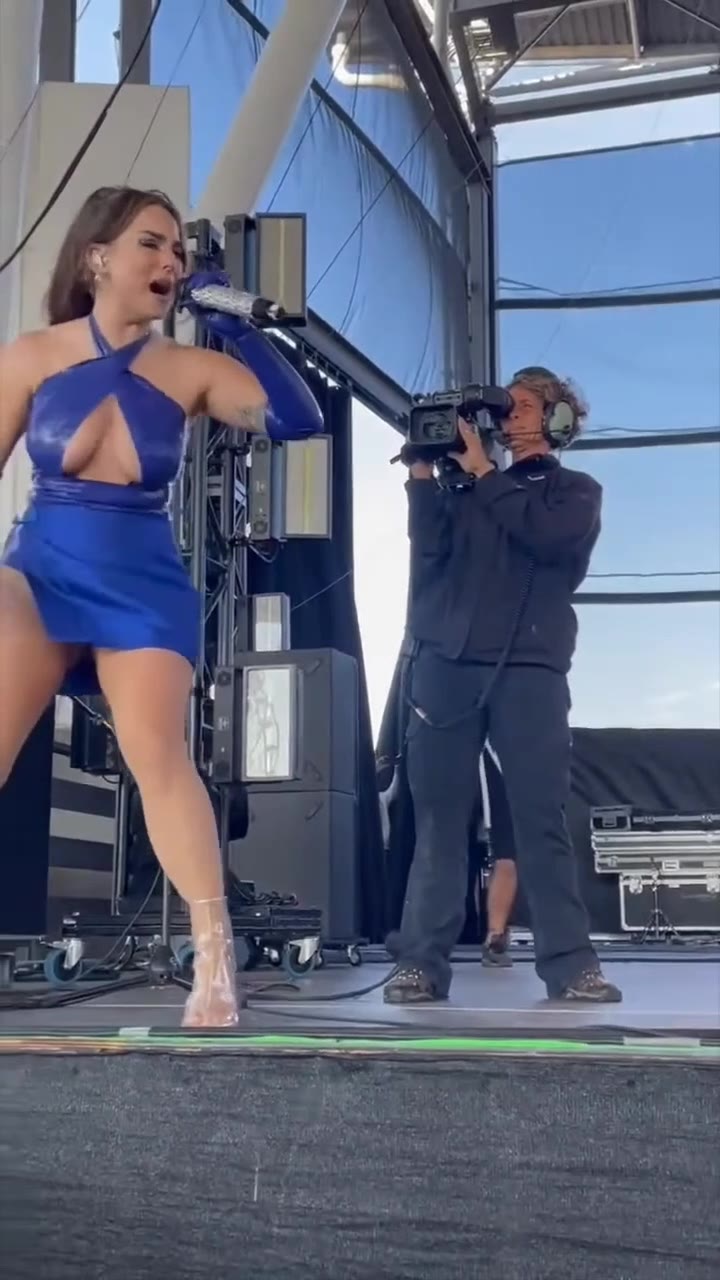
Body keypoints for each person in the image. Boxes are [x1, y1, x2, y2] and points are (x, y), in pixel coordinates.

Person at [0, 185, 323, 1028]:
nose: (170, 262)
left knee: (157, 754)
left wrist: (237, 328)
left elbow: (297, 420)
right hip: (41, 565)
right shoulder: (31, 355)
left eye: (178, 250)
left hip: (141, 578)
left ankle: (215, 958)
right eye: (151, 243)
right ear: (97, 257)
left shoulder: (189, 368)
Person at [384, 367, 622, 1005]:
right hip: (446, 666)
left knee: (541, 819)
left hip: (529, 669)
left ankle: (571, 966)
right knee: (438, 822)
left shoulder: (575, 493)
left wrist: (486, 474)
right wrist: (421, 476)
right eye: (505, 407)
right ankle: (420, 963)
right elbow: (429, 552)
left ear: (557, 421)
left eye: (524, 407)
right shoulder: (469, 489)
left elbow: (546, 537)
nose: (510, 416)